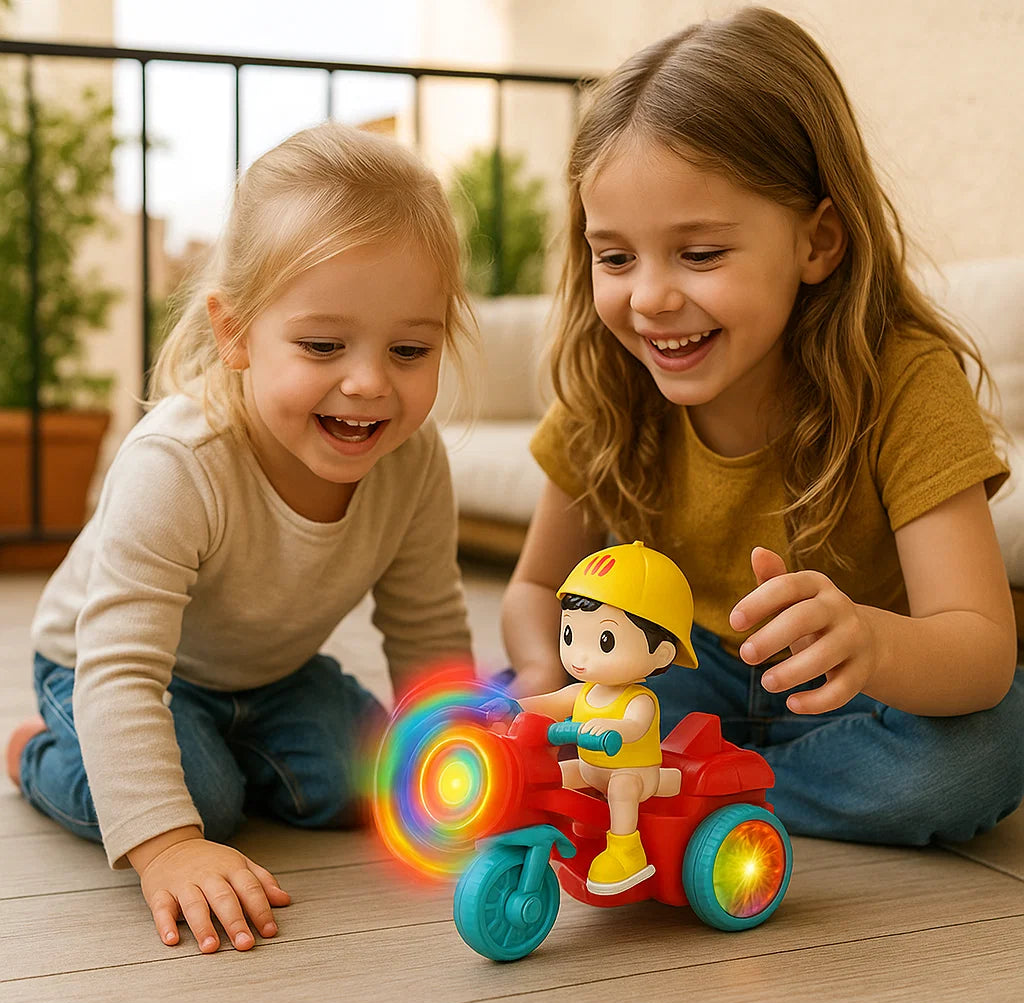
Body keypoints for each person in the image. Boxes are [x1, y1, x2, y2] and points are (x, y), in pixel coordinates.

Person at [501, 7, 1024, 848]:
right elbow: (534, 589)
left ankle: (683, 786)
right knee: (542, 701)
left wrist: (869, 643)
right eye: (616, 257)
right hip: (676, 677)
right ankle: (689, 779)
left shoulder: (905, 381)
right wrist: (544, 675)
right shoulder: (612, 383)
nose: (649, 298)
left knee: (987, 750)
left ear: (818, 242)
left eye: (700, 254)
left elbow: (981, 648)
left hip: (846, 695)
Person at [4, 122, 475, 954]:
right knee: (202, 808)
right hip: (106, 669)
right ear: (235, 333)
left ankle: (234, 750)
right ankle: (38, 757)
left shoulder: (413, 460)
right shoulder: (177, 463)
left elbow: (426, 625)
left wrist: (464, 762)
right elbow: (121, 667)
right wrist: (167, 847)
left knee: (371, 781)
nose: (369, 382)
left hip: (272, 674)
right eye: (323, 345)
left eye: (410, 349)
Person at [511, 541, 698, 894]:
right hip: (590, 768)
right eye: (569, 635)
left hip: (637, 775)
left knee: (621, 788)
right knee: (553, 775)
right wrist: (513, 707)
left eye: (605, 641)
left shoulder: (639, 698)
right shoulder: (582, 691)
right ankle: (548, 830)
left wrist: (614, 727)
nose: (580, 657)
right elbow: (550, 702)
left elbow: (635, 726)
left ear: (661, 654)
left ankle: (626, 851)